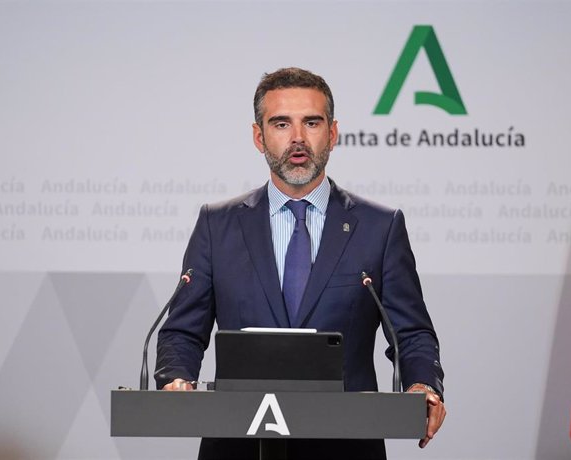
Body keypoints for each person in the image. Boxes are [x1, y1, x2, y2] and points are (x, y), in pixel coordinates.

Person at [156, 67, 445, 459]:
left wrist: (422, 386)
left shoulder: (379, 228)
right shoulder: (217, 225)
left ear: (333, 133)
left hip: (346, 447)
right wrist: (176, 379)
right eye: (280, 123)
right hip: (237, 445)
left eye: (311, 122)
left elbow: (411, 334)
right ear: (259, 136)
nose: (297, 138)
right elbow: (182, 332)